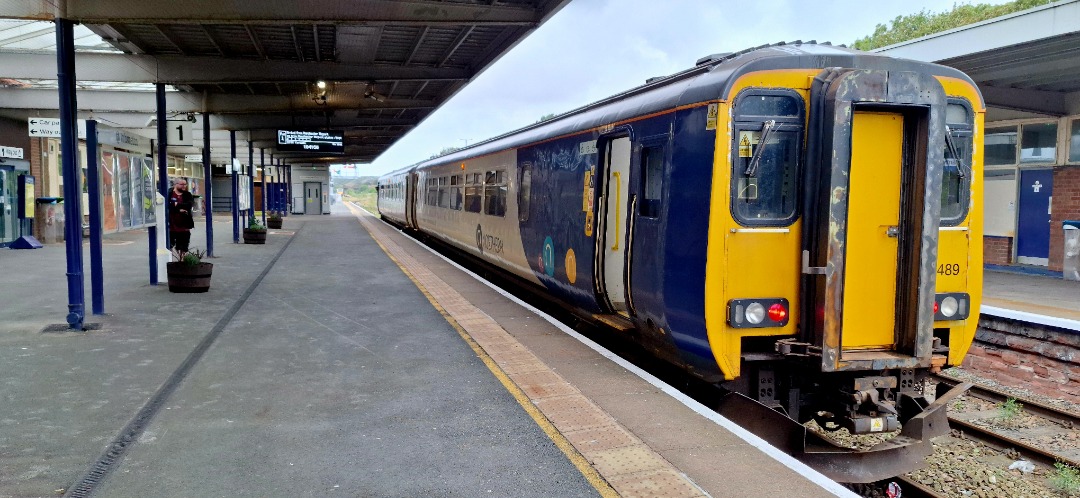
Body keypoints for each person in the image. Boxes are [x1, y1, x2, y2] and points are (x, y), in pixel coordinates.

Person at [169, 179, 195, 253]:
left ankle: (181, 261)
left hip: (184, 225)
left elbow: (189, 205)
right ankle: (169, 261)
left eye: (185, 184)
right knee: (169, 245)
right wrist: (178, 210)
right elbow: (167, 206)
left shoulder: (187, 194)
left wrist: (176, 204)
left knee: (183, 246)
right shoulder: (169, 193)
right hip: (171, 225)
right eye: (182, 184)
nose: (184, 186)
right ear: (175, 184)